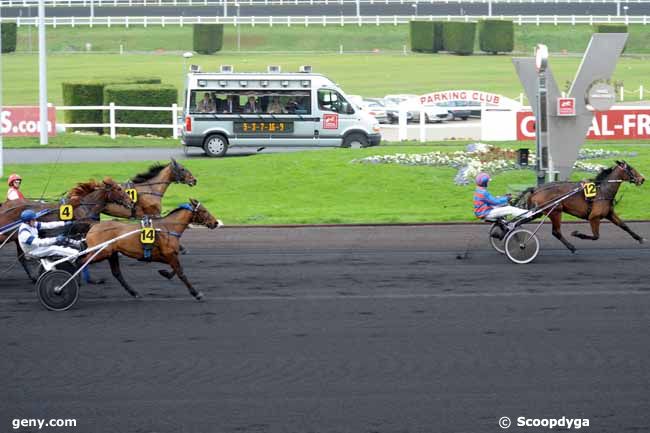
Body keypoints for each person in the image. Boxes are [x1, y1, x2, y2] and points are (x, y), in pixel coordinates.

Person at [17, 210, 81, 259]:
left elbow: (48, 225)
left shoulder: (32, 224)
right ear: (27, 221)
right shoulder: (24, 233)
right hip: (33, 252)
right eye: (33, 219)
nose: (35, 220)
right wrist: (56, 239)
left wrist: (64, 223)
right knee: (54, 248)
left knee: (58, 243)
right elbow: (40, 242)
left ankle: (76, 247)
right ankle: (77, 254)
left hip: (37, 247)